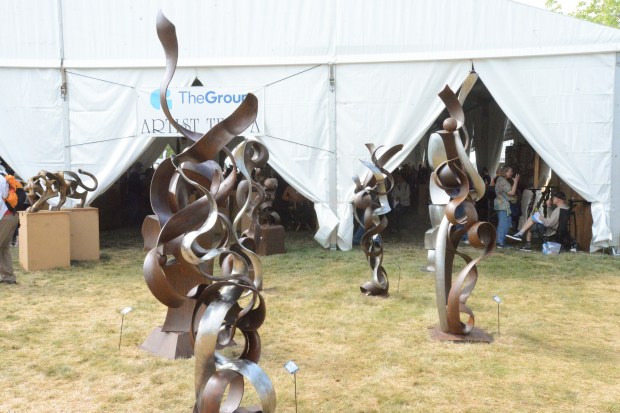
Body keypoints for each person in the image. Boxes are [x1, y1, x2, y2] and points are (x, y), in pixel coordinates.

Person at [0, 165, 20, 284]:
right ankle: (8, 277)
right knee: (3, 248)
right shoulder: (4, 178)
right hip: (10, 216)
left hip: (4, 216)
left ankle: (8, 276)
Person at [494, 165, 520, 248]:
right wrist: (516, 182)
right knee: (503, 224)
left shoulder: (500, 179)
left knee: (504, 223)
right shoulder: (502, 181)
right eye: (510, 171)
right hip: (503, 205)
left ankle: (500, 242)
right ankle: (500, 243)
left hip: (502, 204)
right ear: (505, 172)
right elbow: (511, 193)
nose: (512, 173)